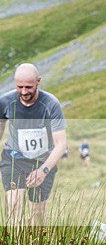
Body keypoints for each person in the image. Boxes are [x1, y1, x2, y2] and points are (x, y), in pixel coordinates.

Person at [0, 63, 68, 227]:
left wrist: (44, 170)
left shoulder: (51, 104)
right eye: (19, 87)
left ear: (38, 81)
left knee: (38, 214)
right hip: (14, 159)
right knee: (14, 207)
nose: (24, 92)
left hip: (42, 161)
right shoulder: (5, 102)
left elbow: (61, 144)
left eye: (28, 87)